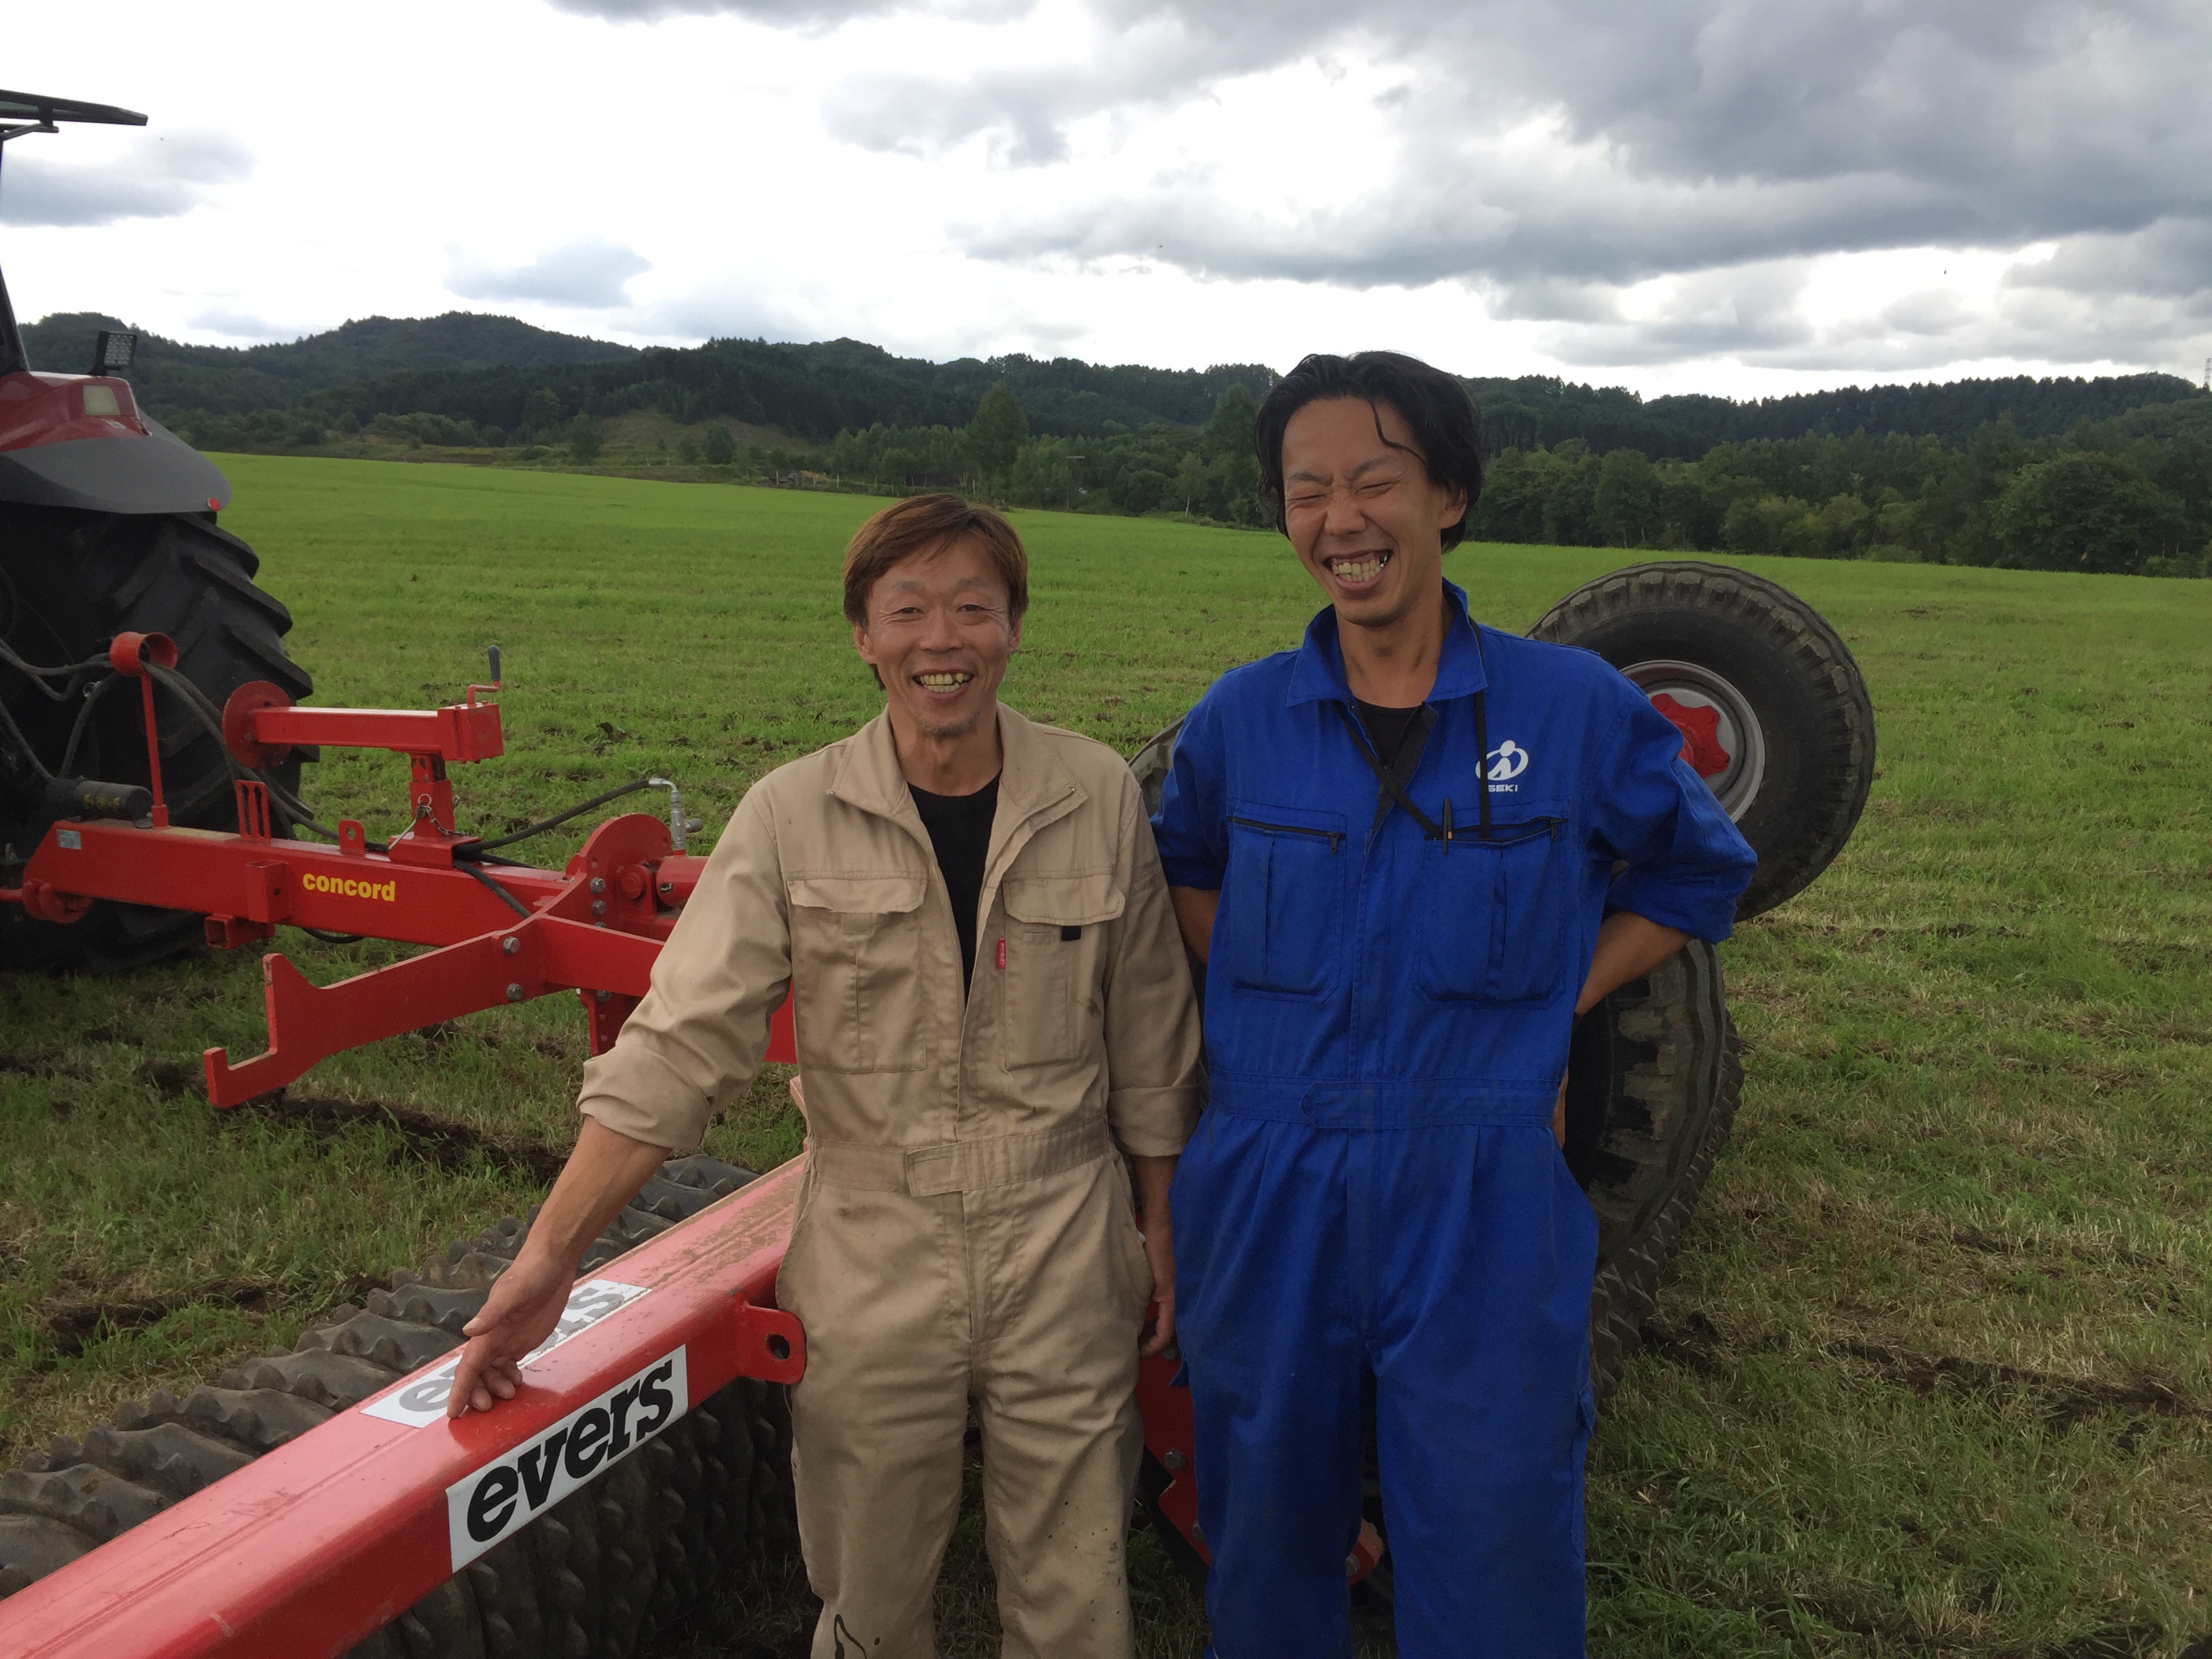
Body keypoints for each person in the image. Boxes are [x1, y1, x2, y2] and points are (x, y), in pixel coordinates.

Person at [449, 493, 1204, 1659]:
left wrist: (1158, 1228)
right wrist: (551, 1258)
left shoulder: (1093, 793)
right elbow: (678, 1043)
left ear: (1012, 628)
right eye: (906, 610)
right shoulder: (792, 815)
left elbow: (1152, 1036)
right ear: (863, 635)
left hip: (1064, 1230)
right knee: (870, 1587)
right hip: (869, 1237)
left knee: (1075, 1590)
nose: (938, 640)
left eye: (971, 608)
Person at [1149, 352, 1757, 1658]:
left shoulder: (1574, 709)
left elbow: (1700, 871)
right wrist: (1259, 979)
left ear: (1452, 497)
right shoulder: (1240, 721)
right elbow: (1180, 869)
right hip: (1268, 1178)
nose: (1342, 520)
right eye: (1307, 491)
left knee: (1494, 1534)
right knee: (1261, 1529)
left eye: (1376, 481)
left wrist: (1556, 1007)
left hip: (1483, 1187)